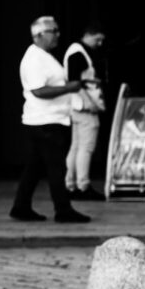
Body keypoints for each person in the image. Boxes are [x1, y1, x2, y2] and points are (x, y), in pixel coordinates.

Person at [11, 16, 89, 223]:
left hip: (47, 119)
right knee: (56, 167)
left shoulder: (44, 56)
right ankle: (63, 209)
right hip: (44, 121)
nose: (57, 35)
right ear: (39, 35)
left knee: (35, 167)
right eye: (53, 31)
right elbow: (38, 90)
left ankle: (21, 206)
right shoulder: (35, 58)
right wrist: (69, 88)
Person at [63, 21, 106, 201]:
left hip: (77, 105)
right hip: (84, 106)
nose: (99, 44)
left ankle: (71, 184)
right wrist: (91, 103)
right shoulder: (78, 53)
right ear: (89, 34)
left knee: (76, 146)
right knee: (85, 147)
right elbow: (75, 83)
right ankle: (82, 184)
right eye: (98, 39)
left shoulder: (76, 52)